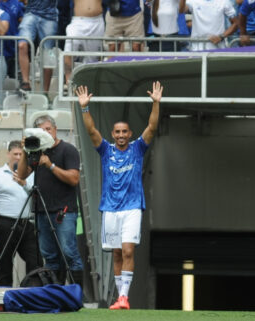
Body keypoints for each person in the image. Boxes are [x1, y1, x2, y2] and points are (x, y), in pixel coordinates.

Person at [77, 81, 163, 310]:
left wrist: (155, 103)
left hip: (132, 207)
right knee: (116, 253)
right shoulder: (106, 150)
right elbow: (91, 131)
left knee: (127, 250)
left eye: (125, 131)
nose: (121, 135)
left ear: (130, 133)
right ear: (113, 134)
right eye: (118, 132)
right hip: (110, 208)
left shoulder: (137, 148)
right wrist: (85, 108)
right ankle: (119, 298)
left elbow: (152, 128)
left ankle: (124, 296)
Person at [17, 115, 84, 288]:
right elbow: (22, 174)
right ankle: (56, 293)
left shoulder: (68, 150)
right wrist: (25, 150)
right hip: (42, 210)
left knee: (69, 253)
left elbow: (74, 179)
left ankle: (77, 294)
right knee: (50, 256)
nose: (46, 133)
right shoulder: (37, 150)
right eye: (42, 130)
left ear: (55, 129)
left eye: (48, 129)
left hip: (64, 211)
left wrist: (50, 165)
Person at [0, 140, 39, 287]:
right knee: (5, 263)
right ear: (8, 154)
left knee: (35, 260)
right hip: (5, 222)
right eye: (15, 154)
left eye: (21, 154)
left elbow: (36, 194)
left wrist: (24, 182)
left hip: (27, 224)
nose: (18, 157)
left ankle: (31, 293)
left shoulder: (32, 174)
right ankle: (2, 298)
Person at [17, 0, 57, 92]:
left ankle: (45, 92)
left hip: (50, 17)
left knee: (48, 54)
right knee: (22, 45)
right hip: (31, 14)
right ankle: (25, 82)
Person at [63, 0, 104, 84]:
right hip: (78, 21)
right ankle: (69, 84)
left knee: (93, 59)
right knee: (68, 53)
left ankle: (91, 86)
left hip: (97, 21)